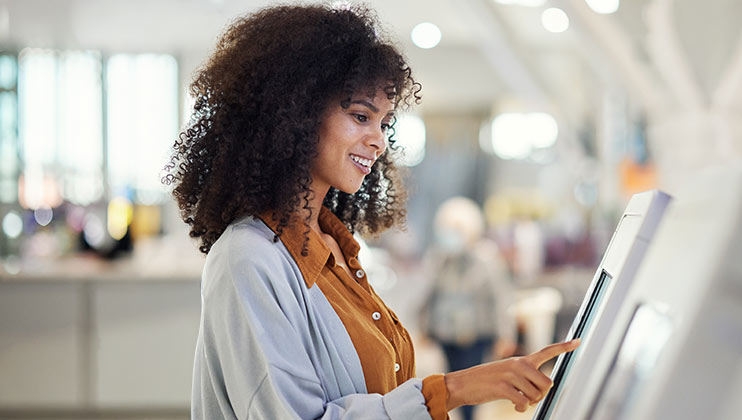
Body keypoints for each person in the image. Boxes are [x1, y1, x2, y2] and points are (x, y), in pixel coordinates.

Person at [163, 5, 579, 420]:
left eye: (384, 123)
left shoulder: (335, 246)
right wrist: (452, 389)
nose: (378, 141)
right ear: (294, 115)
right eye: (361, 116)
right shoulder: (248, 259)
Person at [421, 197, 517, 420]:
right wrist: (423, 326)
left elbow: (501, 299)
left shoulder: (487, 259)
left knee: (471, 389)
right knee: (449, 385)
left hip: (476, 336)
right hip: (446, 335)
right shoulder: (438, 258)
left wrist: (506, 335)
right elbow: (428, 295)